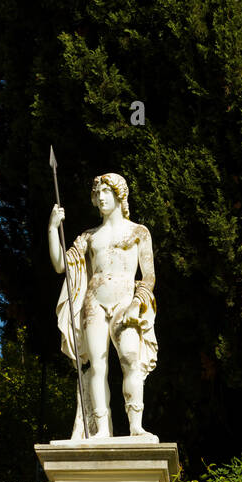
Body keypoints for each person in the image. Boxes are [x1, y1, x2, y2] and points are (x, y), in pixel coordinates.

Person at [48, 173, 157, 439]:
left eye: (105, 192)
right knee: (96, 366)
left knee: (130, 357)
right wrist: (52, 229)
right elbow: (61, 265)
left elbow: (149, 276)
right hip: (94, 303)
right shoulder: (89, 236)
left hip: (125, 301)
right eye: (96, 194)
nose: (100, 198)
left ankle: (136, 426)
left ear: (120, 195)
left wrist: (136, 304)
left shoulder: (138, 232)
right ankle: (101, 429)